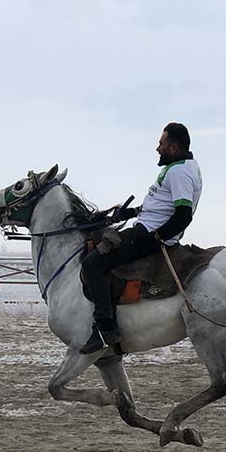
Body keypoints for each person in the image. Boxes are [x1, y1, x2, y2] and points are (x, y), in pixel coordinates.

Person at [79, 122, 202, 353]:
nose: (157, 148)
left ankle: (105, 331)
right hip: (145, 226)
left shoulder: (179, 173)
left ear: (173, 148)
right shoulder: (179, 166)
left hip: (148, 234)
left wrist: (155, 237)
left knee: (92, 263)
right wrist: (131, 212)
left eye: (161, 144)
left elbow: (183, 216)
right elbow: (160, 207)